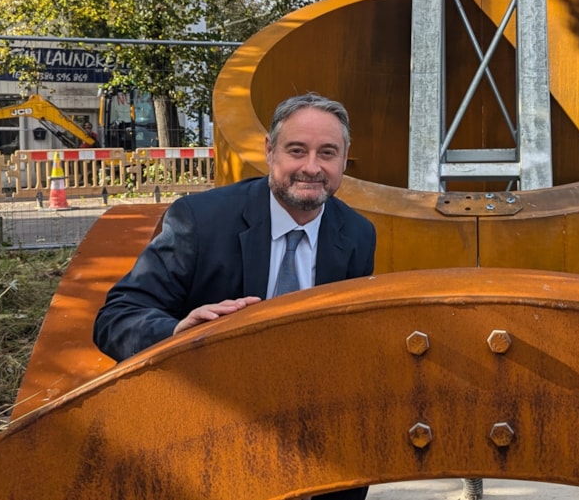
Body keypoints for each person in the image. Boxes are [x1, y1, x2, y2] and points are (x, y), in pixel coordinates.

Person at [93, 92, 376, 500]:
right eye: (297, 150)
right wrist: (177, 333)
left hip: (313, 431)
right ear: (269, 151)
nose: (312, 167)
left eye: (327, 153)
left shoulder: (357, 234)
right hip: (211, 427)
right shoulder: (200, 220)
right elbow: (116, 317)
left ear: (344, 160)